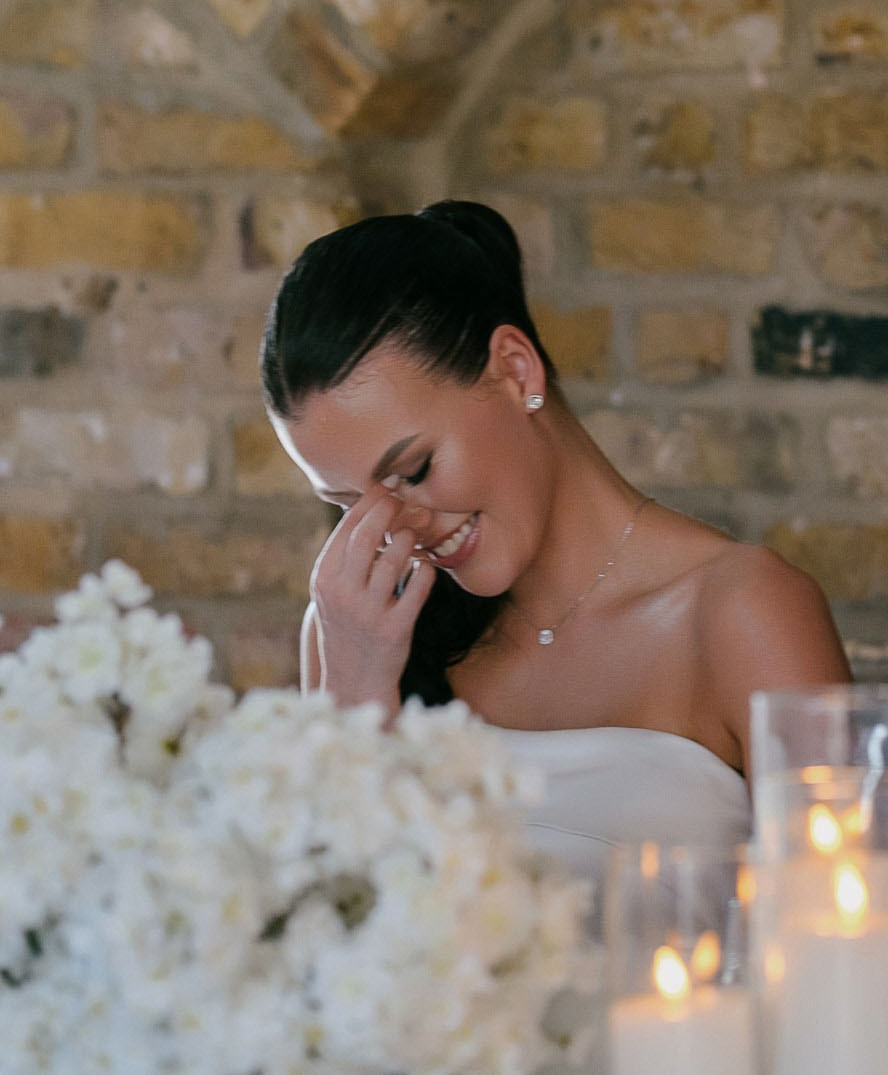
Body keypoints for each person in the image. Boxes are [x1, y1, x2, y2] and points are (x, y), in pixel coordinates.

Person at [263, 200, 852, 886]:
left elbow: (845, 945)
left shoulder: (745, 614)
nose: (397, 525)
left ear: (516, 369)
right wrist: (357, 704)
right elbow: (329, 957)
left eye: (415, 469)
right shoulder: (354, 639)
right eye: (349, 504)